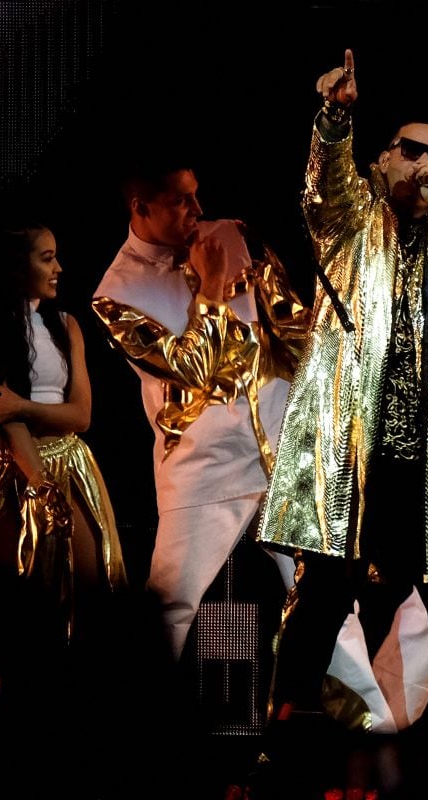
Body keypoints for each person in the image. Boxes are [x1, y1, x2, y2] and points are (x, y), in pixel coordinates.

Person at [252, 48, 428, 789]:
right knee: (321, 596)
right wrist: (334, 117)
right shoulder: (350, 215)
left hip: (425, 460)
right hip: (355, 454)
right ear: (386, 155)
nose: (427, 166)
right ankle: (280, 739)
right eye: (413, 152)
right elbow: (322, 183)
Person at [91, 161, 309, 669]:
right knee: (170, 603)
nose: (197, 210)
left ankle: (370, 720)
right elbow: (191, 370)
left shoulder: (234, 235)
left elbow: (293, 328)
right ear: (140, 206)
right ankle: (140, 714)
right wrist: (210, 288)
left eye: (196, 195)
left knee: (318, 594)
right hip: (203, 463)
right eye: (180, 201)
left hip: (282, 443)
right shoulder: (115, 294)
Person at [0, 222, 128, 730]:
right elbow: (3, 419)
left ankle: (75, 715)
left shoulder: (68, 327)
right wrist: (36, 481)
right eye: (46, 258)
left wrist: (22, 405)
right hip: (8, 472)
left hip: (70, 463)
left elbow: (80, 416)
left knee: (87, 593)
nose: (58, 269)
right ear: (16, 266)